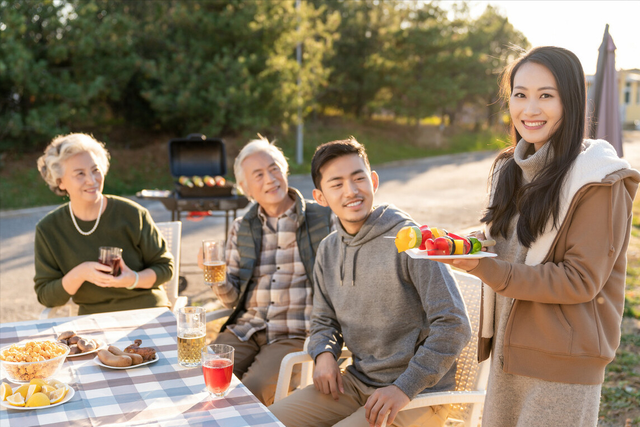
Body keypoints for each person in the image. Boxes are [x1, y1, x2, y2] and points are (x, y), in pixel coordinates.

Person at [439, 46, 640, 426]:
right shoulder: (509, 169)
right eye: (520, 94)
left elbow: (580, 280)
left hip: (562, 366)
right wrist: (469, 243)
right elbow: (511, 248)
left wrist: (487, 268)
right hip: (507, 354)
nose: (529, 110)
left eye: (546, 95)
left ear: (571, 101)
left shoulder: (598, 181)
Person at [269, 138, 471, 427]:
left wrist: (404, 388)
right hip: (355, 384)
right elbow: (323, 319)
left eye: (358, 178)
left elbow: (454, 324)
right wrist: (324, 352)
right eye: (337, 184)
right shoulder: (328, 250)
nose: (351, 191)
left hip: (417, 394)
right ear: (320, 196)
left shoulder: (410, 241)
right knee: (266, 421)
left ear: (373, 180)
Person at [202, 135, 333, 406]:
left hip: (294, 333)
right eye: (258, 175)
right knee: (203, 379)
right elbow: (232, 298)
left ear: (285, 170)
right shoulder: (243, 226)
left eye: (274, 168)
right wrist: (216, 279)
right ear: (245, 188)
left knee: (250, 392)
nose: (270, 179)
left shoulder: (323, 218)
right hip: (246, 329)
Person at [35, 133, 174, 315]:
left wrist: (133, 279)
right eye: (80, 174)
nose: (92, 180)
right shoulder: (49, 229)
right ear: (60, 182)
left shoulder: (133, 214)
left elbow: (165, 268)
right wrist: (81, 273)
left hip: (147, 312)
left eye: (95, 170)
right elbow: (47, 296)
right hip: (93, 321)